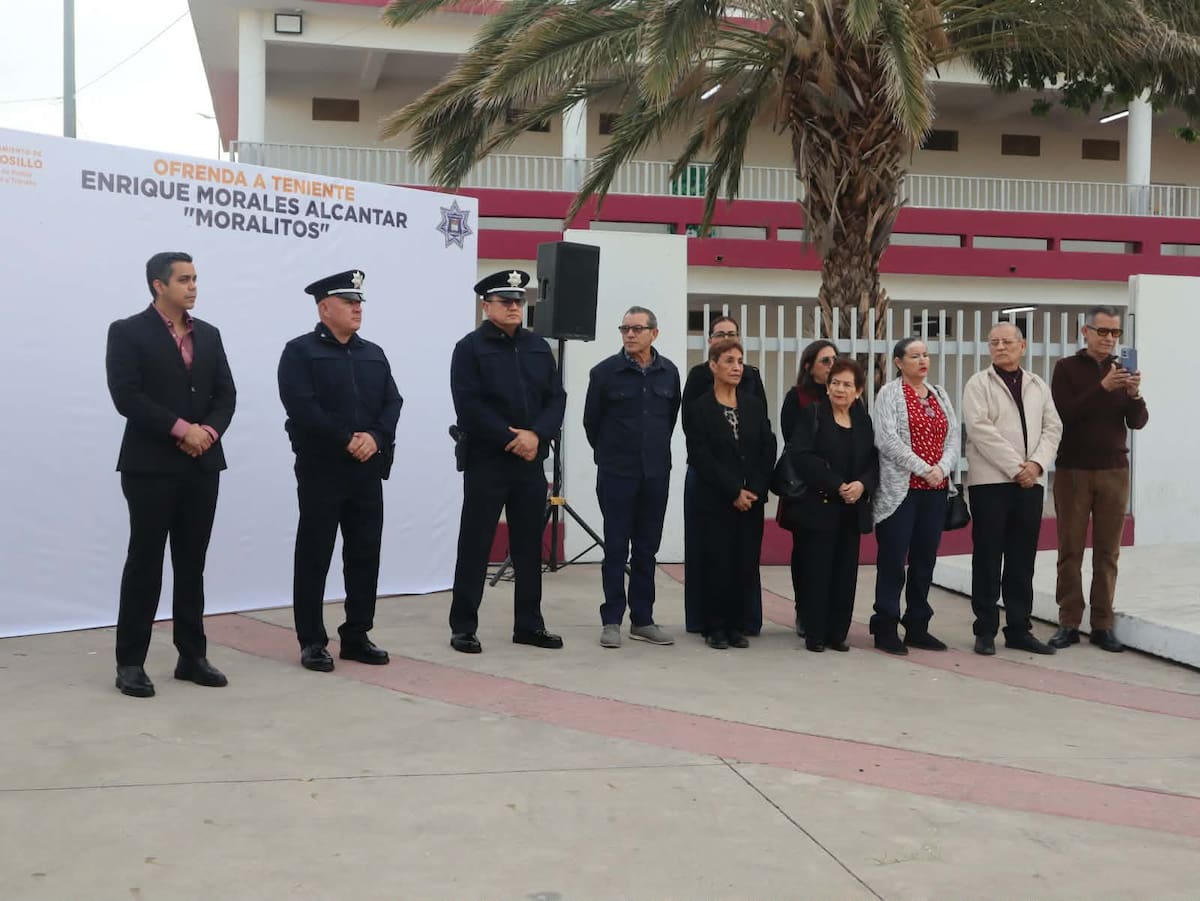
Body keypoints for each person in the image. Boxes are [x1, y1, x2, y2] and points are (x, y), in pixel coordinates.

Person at [105, 251, 236, 698]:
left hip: (203, 463)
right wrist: (182, 430)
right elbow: (127, 396)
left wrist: (208, 433)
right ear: (159, 285)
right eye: (184, 279)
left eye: (196, 278)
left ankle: (192, 656)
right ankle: (130, 662)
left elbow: (225, 394)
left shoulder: (211, 335)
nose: (193, 286)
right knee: (145, 561)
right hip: (150, 465)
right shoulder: (127, 332)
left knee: (192, 562)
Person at [278, 270, 403, 672]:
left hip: (367, 470)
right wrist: (346, 437)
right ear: (324, 307)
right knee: (315, 554)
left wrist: (376, 437)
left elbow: (392, 401)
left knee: (365, 553)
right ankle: (312, 640)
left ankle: (356, 634)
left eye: (359, 301)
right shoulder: (300, 352)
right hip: (322, 470)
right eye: (349, 301)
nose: (357, 307)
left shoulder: (374, 353)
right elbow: (301, 406)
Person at [447, 270, 567, 654]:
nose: (515, 307)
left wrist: (536, 435)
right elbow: (468, 404)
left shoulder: (537, 347)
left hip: (530, 461)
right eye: (505, 301)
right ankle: (464, 626)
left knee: (529, 546)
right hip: (488, 460)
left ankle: (529, 625)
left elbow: (556, 398)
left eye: (519, 300)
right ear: (487, 306)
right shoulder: (469, 348)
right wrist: (510, 437)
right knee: (476, 544)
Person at [1049, 305, 1149, 653]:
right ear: (1085, 332)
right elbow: (1065, 415)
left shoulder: (1121, 370)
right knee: (1070, 549)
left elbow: (1137, 422)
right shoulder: (1066, 369)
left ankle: (1102, 624)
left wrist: (1134, 395)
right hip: (1073, 470)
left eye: (1115, 334)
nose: (1108, 339)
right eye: (1102, 331)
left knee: (1107, 552)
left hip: (1114, 470)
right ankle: (1069, 621)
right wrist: (1103, 387)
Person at [962, 322, 1062, 656]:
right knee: (988, 556)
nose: (1000, 347)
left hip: (1031, 484)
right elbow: (979, 430)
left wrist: (1036, 465)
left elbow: (1053, 427)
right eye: (994, 342)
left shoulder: (1037, 384)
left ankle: (1019, 629)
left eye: (1007, 342)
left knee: (1022, 559)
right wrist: (1016, 467)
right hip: (991, 482)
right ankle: (985, 629)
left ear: (1022, 346)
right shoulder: (979, 384)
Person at [583, 306, 681, 648]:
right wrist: (612, 455)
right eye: (624, 328)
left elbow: (669, 420)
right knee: (614, 547)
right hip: (616, 474)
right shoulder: (604, 373)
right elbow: (590, 424)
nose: (629, 334)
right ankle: (612, 620)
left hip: (655, 474)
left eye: (637, 328)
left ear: (654, 333)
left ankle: (643, 619)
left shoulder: (669, 373)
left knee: (646, 549)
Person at [684, 339, 776, 649]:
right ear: (713, 366)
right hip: (716, 499)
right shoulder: (700, 408)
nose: (737, 367)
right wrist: (732, 490)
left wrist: (755, 488)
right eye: (729, 361)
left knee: (744, 563)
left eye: (739, 361)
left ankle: (737, 625)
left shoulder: (752, 404)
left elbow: (767, 447)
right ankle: (715, 626)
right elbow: (700, 455)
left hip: (751, 499)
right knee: (717, 561)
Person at [870, 338, 960, 655]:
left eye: (925, 355)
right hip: (901, 492)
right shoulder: (889, 394)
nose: (922, 361)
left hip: (934, 492)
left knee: (924, 561)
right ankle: (885, 625)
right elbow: (887, 440)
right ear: (898, 362)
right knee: (894, 561)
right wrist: (923, 468)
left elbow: (953, 436)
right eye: (914, 356)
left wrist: (943, 468)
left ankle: (918, 625)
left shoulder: (938, 394)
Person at [787, 359, 878, 652]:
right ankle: (815, 633)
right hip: (819, 506)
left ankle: (837, 633)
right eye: (835, 383)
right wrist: (837, 483)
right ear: (827, 388)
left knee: (845, 573)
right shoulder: (813, 414)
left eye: (847, 384)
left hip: (851, 509)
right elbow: (802, 456)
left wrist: (862, 485)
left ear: (858, 390)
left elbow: (874, 462)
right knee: (817, 571)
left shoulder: (862, 421)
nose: (840, 389)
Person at [778, 339, 838, 637]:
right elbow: (793, 443)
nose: (831, 365)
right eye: (825, 361)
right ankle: (804, 611)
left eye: (834, 360)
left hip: (837, 489)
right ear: (808, 366)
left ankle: (828, 612)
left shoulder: (842, 396)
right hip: (806, 489)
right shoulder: (797, 397)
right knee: (805, 553)